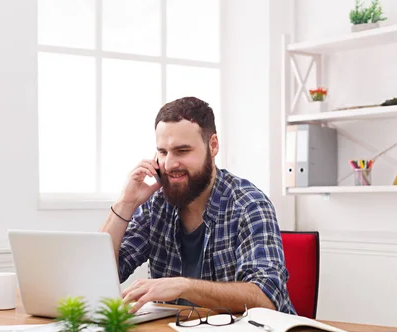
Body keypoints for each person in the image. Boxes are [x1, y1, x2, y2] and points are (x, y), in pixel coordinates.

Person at [100, 96, 296, 315]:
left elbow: (266, 297)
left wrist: (184, 286)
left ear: (213, 145)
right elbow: (101, 274)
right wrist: (126, 203)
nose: (169, 164)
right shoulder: (158, 205)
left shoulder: (248, 204)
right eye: (163, 152)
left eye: (182, 151)